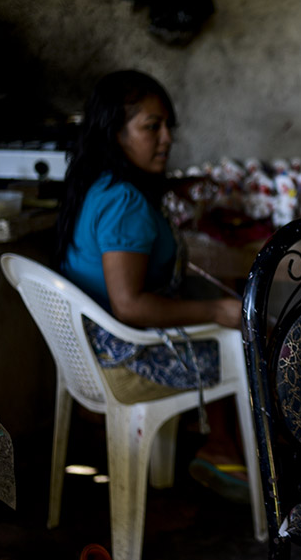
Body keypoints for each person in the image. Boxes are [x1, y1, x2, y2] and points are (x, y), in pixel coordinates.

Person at [55, 69, 249, 502]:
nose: (165, 139)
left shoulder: (98, 184)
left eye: (167, 128)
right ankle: (226, 448)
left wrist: (176, 187)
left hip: (86, 348)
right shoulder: (125, 202)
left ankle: (221, 443)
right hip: (122, 358)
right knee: (244, 336)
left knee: (221, 310)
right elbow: (129, 306)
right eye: (151, 127)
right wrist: (219, 312)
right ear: (115, 133)